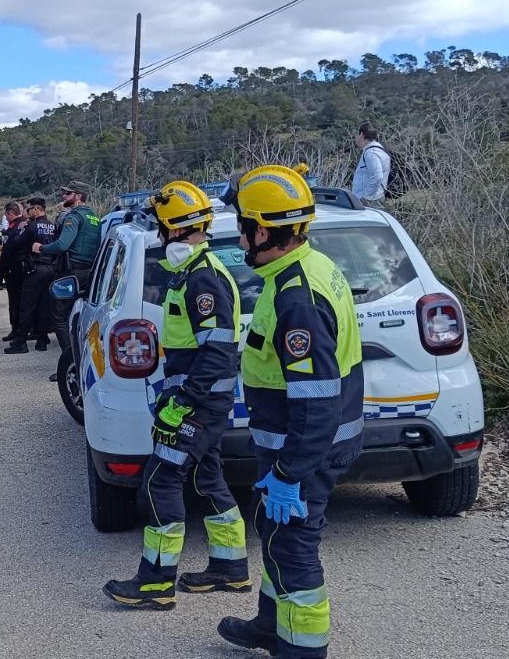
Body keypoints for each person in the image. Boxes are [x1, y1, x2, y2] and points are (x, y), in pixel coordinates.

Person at [216, 163, 363, 659]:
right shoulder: (305, 269)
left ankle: (302, 648)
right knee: (276, 536)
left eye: (241, 227)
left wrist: (290, 474)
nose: (238, 238)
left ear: (262, 230)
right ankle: (270, 625)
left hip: (304, 453)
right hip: (298, 449)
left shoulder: (297, 298)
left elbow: (316, 402)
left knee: (294, 548)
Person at [102, 181, 247, 609]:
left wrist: (184, 401)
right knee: (208, 476)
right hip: (203, 400)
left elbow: (218, 352)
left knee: (161, 481)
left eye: (162, 230)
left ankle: (155, 582)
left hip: (199, 402)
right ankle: (229, 567)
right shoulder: (193, 273)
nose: (161, 238)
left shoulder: (203, 279)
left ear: (176, 230)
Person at [34, 180, 102, 375]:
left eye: (68, 193)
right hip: (88, 273)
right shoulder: (94, 217)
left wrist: (42, 248)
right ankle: (83, 361)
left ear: (78, 196)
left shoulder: (74, 216)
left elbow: (63, 245)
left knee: (60, 318)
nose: (63, 196)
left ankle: (70, 365)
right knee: (80, 317)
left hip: (71, 273)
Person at [17, 198, 58, 353]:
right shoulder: (53, 226)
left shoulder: (31, 226)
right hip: (51, 269)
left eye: (29, 210)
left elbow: (17, 242)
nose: (28, 213)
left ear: (36, 209)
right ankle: (41, 341)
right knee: (44, 306)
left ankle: (21, 342)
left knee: (27, 307)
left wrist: (22, 228)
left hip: (35, 269)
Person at [0, 201, 30, 352]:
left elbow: (11, 249)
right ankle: (15, 330)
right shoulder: (16, 226)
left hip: (16, 268)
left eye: (6, 214)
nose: (5, 217)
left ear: (10, 214)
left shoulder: (19, 227)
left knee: (17, 303)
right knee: (14, 303)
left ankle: (19, 332)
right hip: (13, 268)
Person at [351, 122, 391, 206]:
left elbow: (377, 176)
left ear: (361, 135)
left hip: (370, 200)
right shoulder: (380, 150)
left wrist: (366, 198)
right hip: (375, 197)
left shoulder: (371, 153)